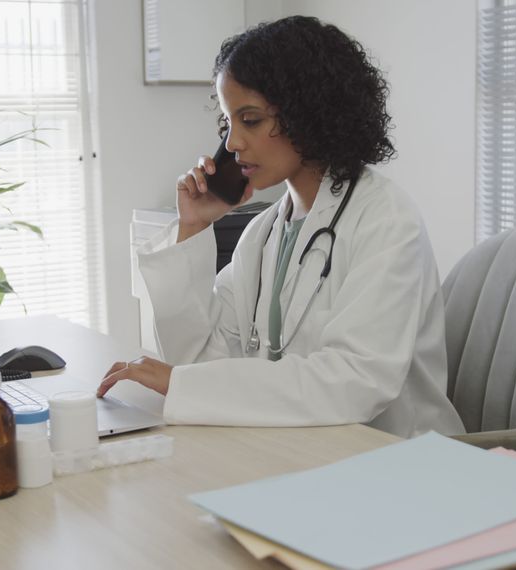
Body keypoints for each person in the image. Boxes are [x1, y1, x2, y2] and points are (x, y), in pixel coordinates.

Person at [96, 16, 464, 437]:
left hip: (395, 458)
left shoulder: (386, 220)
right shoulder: (265, 231)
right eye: (228, 122)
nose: (232, 143)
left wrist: (180, 383)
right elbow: (202, 362)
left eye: (249, 120)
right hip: (300, 449)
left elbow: (354, 382)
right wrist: (194, 226)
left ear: (308, 113)